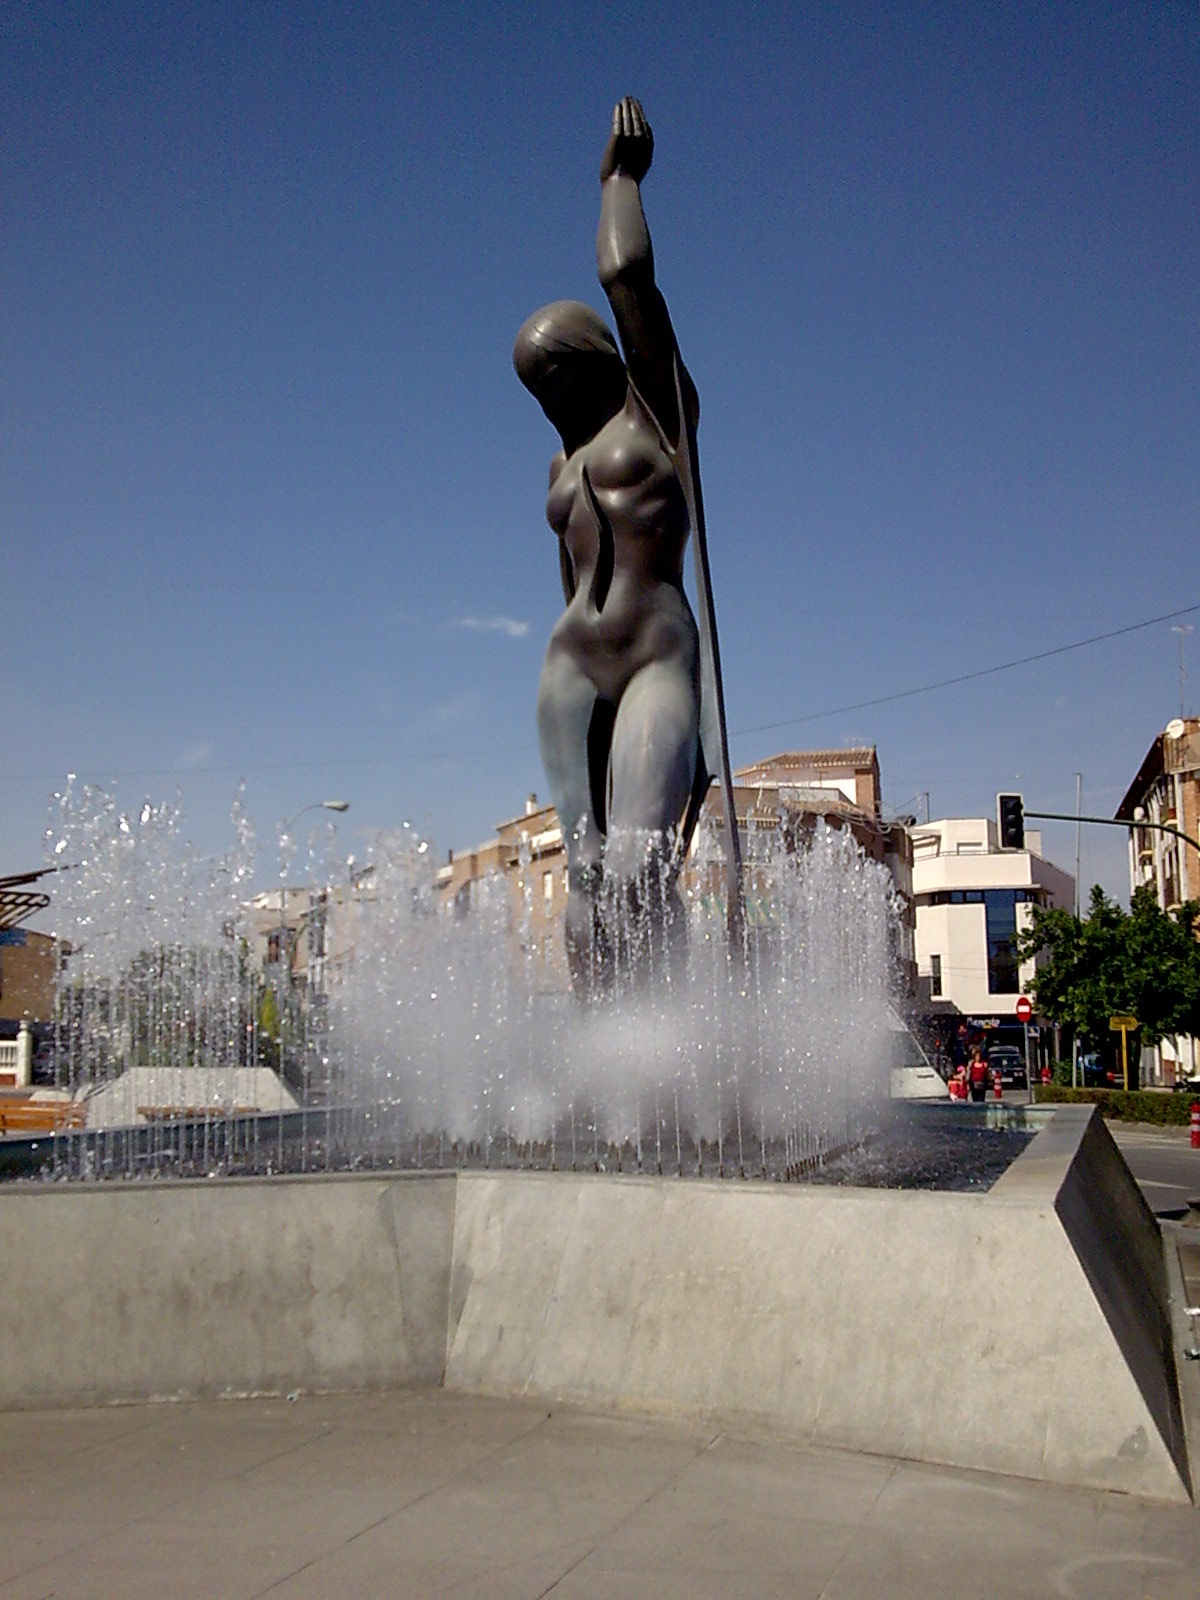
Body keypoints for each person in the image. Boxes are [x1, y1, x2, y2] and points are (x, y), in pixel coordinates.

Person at [514, 99, 710, 997]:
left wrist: (618, 181)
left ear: (595, 359)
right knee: (587, 884)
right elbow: (569, 580)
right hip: (572, 671)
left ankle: (668, 1033)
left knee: (637, 868)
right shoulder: (561, 458)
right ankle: (600, 1050)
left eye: (557, 376)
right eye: (534, 389)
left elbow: (629, 274)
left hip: (657, 655)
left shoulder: (657, 413)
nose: (549, 400)